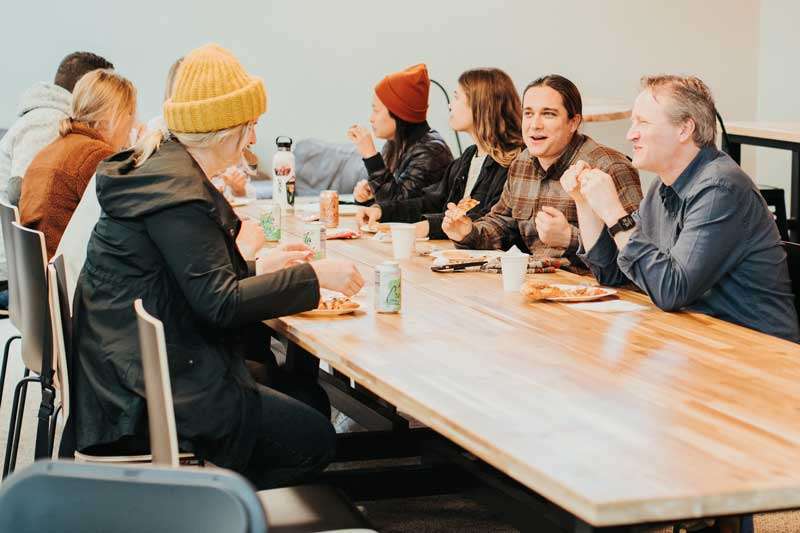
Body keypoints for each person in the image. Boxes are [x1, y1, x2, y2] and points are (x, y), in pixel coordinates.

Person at [65, 44, 365, 490]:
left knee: (303, 399)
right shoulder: (177, 195)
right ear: (225, 129)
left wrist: (255, 264)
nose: (251, 139)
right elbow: (219, 303)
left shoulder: (161, 171)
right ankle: (211, 501)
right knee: (314, 438)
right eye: (250, 126)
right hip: (147, 398)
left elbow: (187, 277)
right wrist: (314, 277)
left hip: (129, 375)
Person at [570, 75, 799, 341]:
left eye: (642, 122)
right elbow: (612, 274)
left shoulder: (720, 188)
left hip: (757, 352)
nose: (630, 134)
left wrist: (613, 213)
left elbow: (671, 291)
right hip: (699, 339)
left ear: (684, 129)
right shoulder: (662, 186)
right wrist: (583, 201)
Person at [442, 75, 642, 261]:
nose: (534, 125)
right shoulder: (522, 163)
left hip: (598, 291)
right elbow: (503, 223)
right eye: (528, 114)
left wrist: (569, 238)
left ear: (573, 122)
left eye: (548, 114)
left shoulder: (610, 168)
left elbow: (636, 251)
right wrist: (468, 232)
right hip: (538, 286)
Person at [0, 51, 112, 312]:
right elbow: (23, 192)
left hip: (17, 274)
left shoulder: (45, 118)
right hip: (14, 280)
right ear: (87, 91)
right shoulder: (48, 122)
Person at [356, 67, 524, 239]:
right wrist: (381, 211)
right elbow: (432, 201)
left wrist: (426, 227)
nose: (450, 104)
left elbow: (485, 219)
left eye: (457, 97)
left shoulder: (512, 162)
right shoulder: (469, 156)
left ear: (481, 104)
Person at [19, 68, 136, 258]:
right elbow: (127, 220)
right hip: (70, 278)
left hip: (46, 274)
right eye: (131, 114)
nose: (134, 123)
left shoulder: (55, 147)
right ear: (114, 116)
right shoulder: (95, 155)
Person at [347, 63, 452, 204]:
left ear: (399, 114)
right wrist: (368, 196)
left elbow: (398, 207)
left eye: (376, 110)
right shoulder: (393, 145)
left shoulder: (430, 152)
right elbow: (387, 201)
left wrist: (371, 156)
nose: (371, 118)